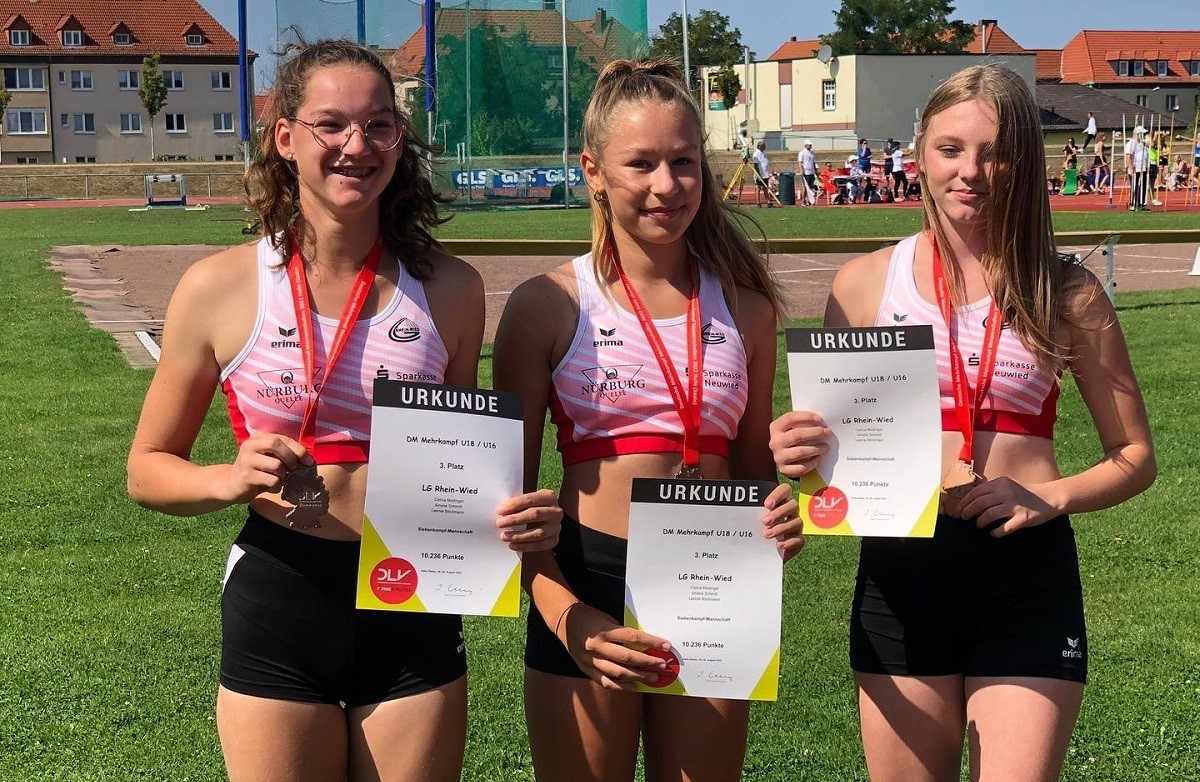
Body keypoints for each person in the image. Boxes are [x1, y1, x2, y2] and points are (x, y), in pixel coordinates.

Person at [126, 39, 562, 782]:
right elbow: (146, 469)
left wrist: (513, 518)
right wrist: (227, 480)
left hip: (411, 597)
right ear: (284, 137)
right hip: (282, 592)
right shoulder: (217, 288)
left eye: (379, 125)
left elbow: (459, 460)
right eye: (332, 124)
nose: (356, 145)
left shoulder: (451, 290)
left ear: (401, 140)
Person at [768, 63, 1155, 782]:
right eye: (950, 149)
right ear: (920, 153)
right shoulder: (860, 285)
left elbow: (1134, 455)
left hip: (1024, 575)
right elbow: (828, 458)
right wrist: (797, 450)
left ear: (1024, 161)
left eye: (995, 151)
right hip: (901, 575)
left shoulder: (1066, 291)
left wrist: (1048, 497)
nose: (971, 171)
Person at [494, 59, 804, 782]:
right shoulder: (547, 304)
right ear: (593, 170)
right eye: (642, 164)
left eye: (684, 163)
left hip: (715, 580)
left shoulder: (747, 308)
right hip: (587, 582)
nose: (667, 186)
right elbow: (502, 506)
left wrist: (785, 517)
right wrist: (569, 616)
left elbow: (758, 477)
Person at [752, 140, 773, 207]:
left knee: (765, 188)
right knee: (758, 188)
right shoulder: (756, 154)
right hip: (760, 174)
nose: (765, 147)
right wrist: (758, 174)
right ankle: (758, 203)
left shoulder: (764, 153)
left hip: (765, 174)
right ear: (759, 146)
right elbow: (755, 165)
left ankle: (768, 202)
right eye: (763, 146)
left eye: (765, 145)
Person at [798, 139, 818, 206]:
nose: (810, 146)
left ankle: (808, 200)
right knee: (805, 187)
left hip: (811, 172)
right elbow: (800, 162)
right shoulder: (802, 153)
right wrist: (801, 171)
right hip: (805, 172)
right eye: (809, 145)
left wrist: (816, 171)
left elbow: (814, 162)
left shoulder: (812, 152)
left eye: (811, 145)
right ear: (805, 145)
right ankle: (803, 201)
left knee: (811, 187)